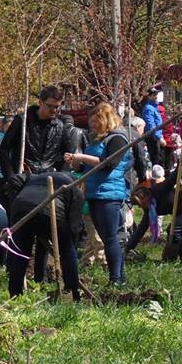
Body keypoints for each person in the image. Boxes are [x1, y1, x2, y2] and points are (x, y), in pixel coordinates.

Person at [65, 102, 132, 286]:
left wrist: (82, 157)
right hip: (94, 193)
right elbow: (86, 167)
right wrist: (75, 162)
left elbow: (108, 164)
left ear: (106, 120)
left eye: (97, 121)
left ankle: (116, 279)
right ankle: (119, 276)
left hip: (109, 194)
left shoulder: (117, 139)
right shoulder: (96, 139)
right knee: (104, 237)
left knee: (110, 237)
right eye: (92, 122)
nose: (93, 125)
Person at [2, 172, 83, 300]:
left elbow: (14, 179)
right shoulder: (75, 189)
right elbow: (75, 226)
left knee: (21, 253)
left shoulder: (35, 177)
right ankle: (72, 292)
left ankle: (15, 294)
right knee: (68, 251)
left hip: (20, 207)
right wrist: (70, 247)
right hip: (51, 210)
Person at [127, 171, 182, 261]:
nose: (140, 206)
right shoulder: (150, 209)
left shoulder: (159, 190)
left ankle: (176, 260)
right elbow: (140, 230)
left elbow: (172, 179)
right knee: (172, 232)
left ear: (144, 197)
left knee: (174, 231)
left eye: (139, 204)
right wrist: (127, 249)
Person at [0, 86, 70, 178]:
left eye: (56, 106)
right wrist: (11, 176)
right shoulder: (22, 121)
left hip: (49, 179)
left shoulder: (60, 126)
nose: (54, 110)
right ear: (40, 102)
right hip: (24, 177)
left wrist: (60, 174)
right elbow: (3, 150)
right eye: (49, 106)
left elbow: (66, 154)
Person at [140, 86, 165, 165]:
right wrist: (159, 137)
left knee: (160, 158)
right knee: (156, 159)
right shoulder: (149, 108)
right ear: (149, 96)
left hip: (157, 135)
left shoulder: (154, 107)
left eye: (156, 94)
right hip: (153, 137)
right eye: (154, 95)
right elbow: (151, 125)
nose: (156, 96)